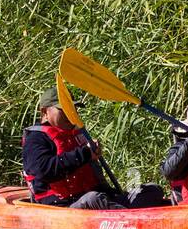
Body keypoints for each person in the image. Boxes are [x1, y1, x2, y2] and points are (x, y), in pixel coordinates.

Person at [22, 90, 166, 209]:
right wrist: (85, 153)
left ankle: (125, 212)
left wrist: (113, 194)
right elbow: (43, 170)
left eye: (72, 108)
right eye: (62, 109)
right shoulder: (36, 139)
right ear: (45, 112)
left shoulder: (77, 135)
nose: (69, 113)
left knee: (152, 190)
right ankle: (133, 220)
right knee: (93, 199)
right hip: (62, 206)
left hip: (96, 198)